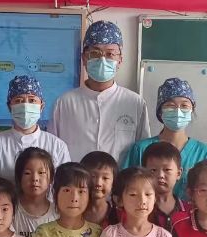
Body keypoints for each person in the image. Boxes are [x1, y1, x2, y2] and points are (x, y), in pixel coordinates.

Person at [50, 20, 150, 164]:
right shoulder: (64, 103)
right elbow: (52, 153)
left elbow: (142, 154)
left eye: (110, 54)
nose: (102, 59)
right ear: (84, 58)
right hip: (75, 178)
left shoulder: (135, 103)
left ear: (120, 60)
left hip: (120, 179)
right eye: (95, 53)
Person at [124, 77, 207, 200]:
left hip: (190, 212)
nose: (178, 111)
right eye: (170, 106)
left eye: (184, 105)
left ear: (192, 110)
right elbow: (126, 187)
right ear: (160, 111)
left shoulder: (204, 152)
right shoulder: (141, 149)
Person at [0, 75, 70, 180]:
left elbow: (65, 183)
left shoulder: (57, 146)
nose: (25, 106)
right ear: (9, 107)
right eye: (18, 101)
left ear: (41, 106)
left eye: (32, 100)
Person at [142, 141, 189, 231]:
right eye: (153, 170)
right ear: (144, 173)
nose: (160, 175)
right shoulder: (140, 209)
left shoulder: (190, 212)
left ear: (178, 173)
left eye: (167, 169)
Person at [80, 151, 119, 227]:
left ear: (113, 182)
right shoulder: (73, 212)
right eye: (92, 176)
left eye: (105, 178)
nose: (98, 183)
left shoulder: (118, 215)